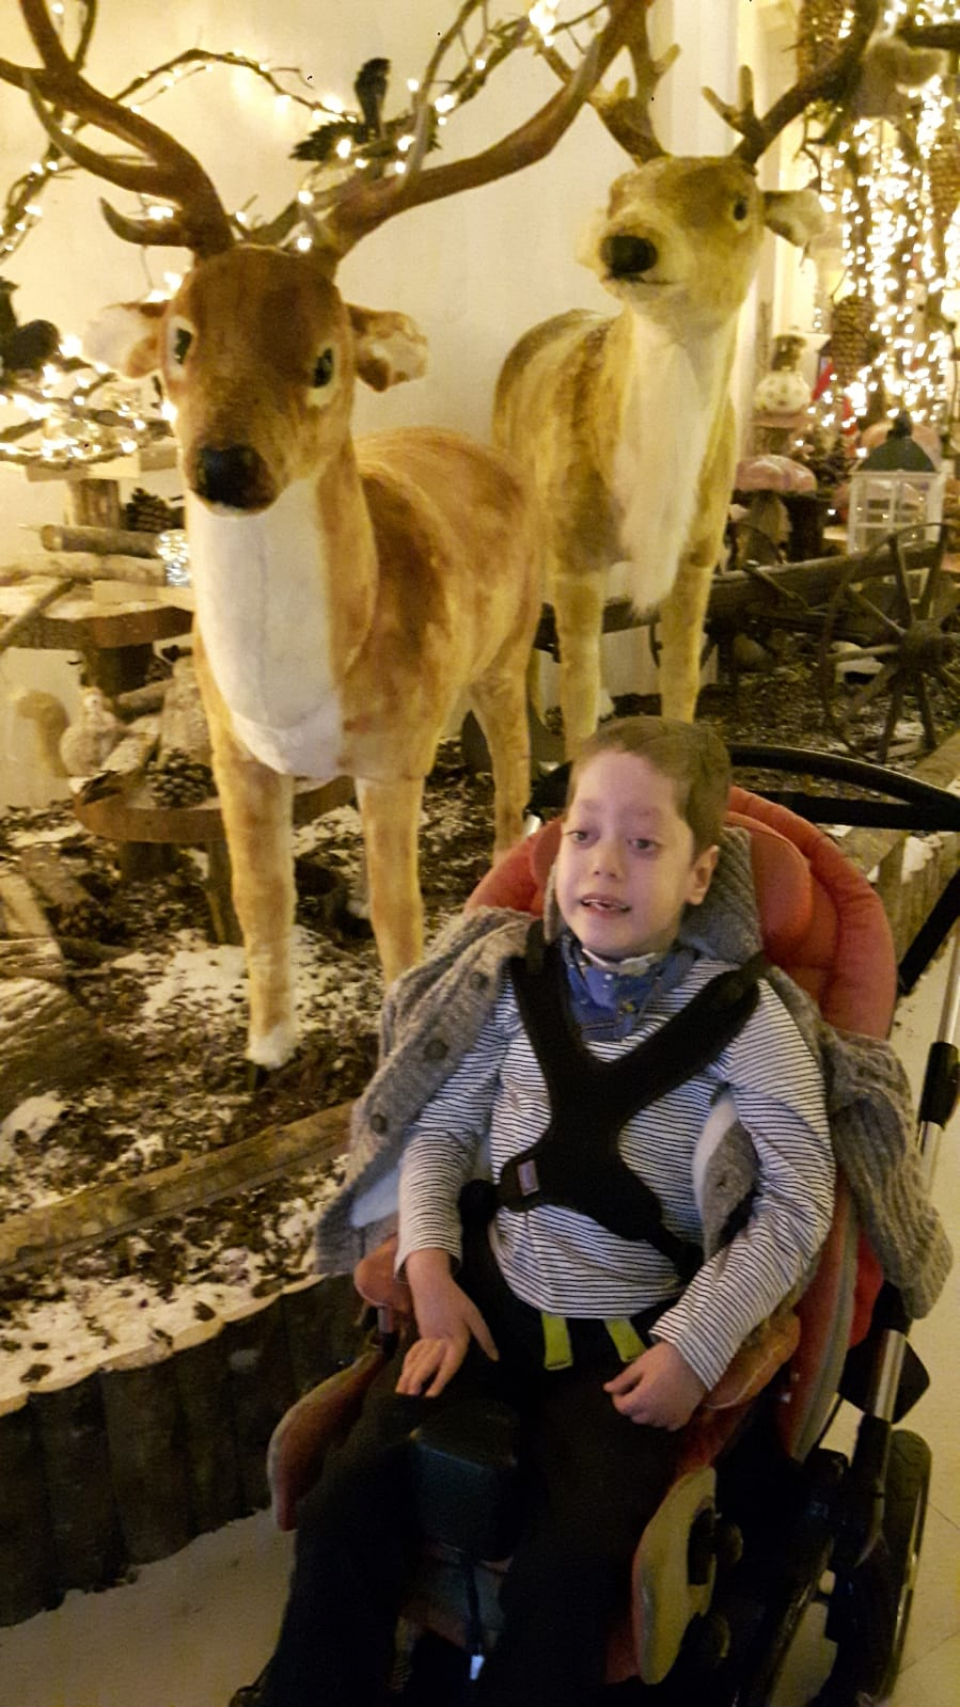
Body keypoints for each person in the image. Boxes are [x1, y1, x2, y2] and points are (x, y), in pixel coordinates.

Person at [246, 716, 835, 1707]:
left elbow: (797, 1202)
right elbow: (442, 1130)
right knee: (348, 1500)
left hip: (627, 1351)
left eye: (643, 843)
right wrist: (430, 1267)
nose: (604, 864)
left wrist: (696, 1347)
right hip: (483, 1311)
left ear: (700, 875)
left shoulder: (747, 1019)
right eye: (584, 833)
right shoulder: (517, 981)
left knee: (573, 1568)